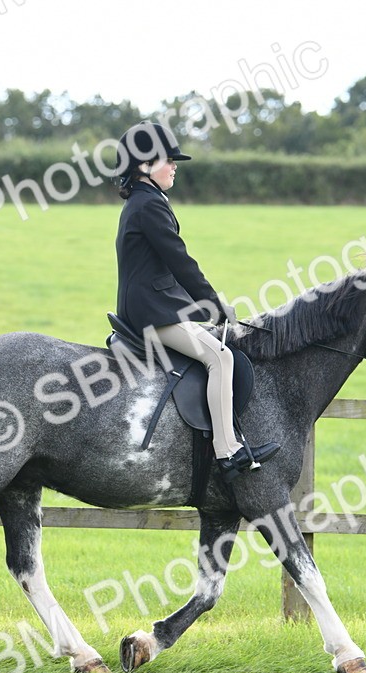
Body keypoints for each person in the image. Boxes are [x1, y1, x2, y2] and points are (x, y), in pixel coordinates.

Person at [113, 121, 279, 482]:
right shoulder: (149, 206)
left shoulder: (144, 201)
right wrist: (214, 304)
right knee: (220, 357)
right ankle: (228, 451)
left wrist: (204, 309)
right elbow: (180, 262)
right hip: (151, 314)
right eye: (168, 160)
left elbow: (164, 270)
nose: (174, 166)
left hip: (153, 306)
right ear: (144, 165)